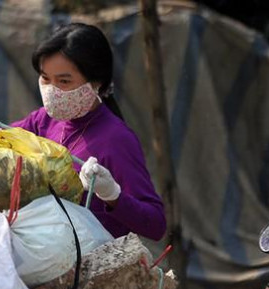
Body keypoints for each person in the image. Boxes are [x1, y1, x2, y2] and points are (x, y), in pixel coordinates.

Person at [11, 23, 167, 241]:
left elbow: (156, 225)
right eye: (45, 78)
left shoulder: (116, 140)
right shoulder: (43, 120)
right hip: (41, 247)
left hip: (88, 263)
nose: (52, 90)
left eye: (64, 81)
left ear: (96, 83)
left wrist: (112, 195)